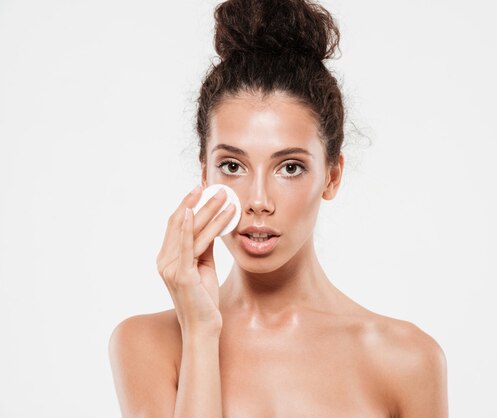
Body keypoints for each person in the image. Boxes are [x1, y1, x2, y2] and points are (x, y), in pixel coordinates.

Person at [108, 0, 448, 416]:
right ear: (204, 173)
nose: (258, 201)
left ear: (332, 176)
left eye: (290, 167)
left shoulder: (407, 359)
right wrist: (200, 332)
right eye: (232, 166)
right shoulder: (147, 344)